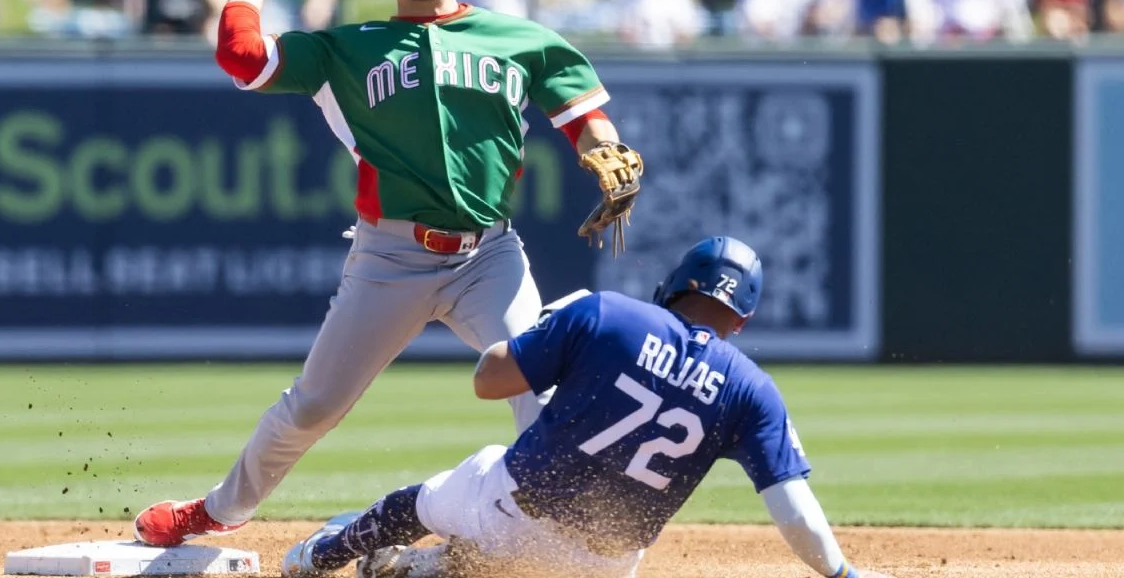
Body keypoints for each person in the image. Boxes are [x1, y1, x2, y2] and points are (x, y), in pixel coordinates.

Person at [132, 0, 643, 548]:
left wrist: (605, 149)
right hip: (391, 257)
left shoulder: (523, 41)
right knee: (314, 405)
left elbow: (586, 120)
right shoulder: (346, 50)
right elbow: (240, 55)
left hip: (489, 256)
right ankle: (216, 511)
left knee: (540, 386)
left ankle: (566, 527)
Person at [280, 236, 897, 578]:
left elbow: (488, 381)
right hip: (605, 565)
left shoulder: (607, 313)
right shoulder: (752, 389)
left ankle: (315, 558)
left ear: (675, 284)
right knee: (501, 554)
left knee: (422, 501)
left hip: (508, 512)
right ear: (743, 320)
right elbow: (794, 512)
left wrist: (547, 327)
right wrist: (842, 574)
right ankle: (422, 571)